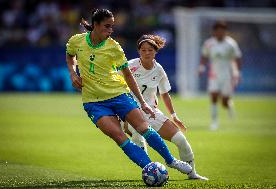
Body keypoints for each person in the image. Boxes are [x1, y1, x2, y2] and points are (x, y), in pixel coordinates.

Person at [65, 8, 192, 176]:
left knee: (143, 128)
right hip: (94, 102)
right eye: (107, 26)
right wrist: (73, 73)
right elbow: (69, 55)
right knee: (119, 136)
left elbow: (128, 76)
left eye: (112, 27)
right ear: (95, 25)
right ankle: (151, 169)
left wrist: (143, 103)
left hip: (119, 95)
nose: (110, 31)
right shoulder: (77, 41)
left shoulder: (114, 47)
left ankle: (170, 160)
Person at [121, 34, 208, 180]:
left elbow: (165, 94)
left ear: (155, 51)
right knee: (138, 137)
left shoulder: (159, 69)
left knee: (181, 140)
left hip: (152, 112)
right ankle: (149, 171)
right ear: (138, 52)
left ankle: (192, 174)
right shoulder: (130, 66)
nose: (147, 53)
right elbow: (113, 80)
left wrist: (173, 115)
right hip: (130, 112)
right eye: (143, 50)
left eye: (150, 50)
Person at [199, 21, 242, 130]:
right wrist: (201, 67)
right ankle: (214, 122)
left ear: (225, 32)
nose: (220, 33)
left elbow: (237, 57)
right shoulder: (209, 43)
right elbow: (204, 55)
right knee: (213, 96)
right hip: (214, 74)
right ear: (214, 32)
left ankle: (229, 104)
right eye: (217, 31)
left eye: (222, 31)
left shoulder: (231, 44)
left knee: (224, 102)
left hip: (227, 74)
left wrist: (237, 72)